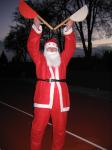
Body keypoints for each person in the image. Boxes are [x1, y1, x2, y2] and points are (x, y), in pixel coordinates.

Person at [27, 17, 76, 150]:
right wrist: (36, 28)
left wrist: (69, 29)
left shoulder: (63, 60)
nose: (52, 50)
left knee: (60, 131)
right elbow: (32, 47)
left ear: (57, 50)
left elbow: (71, 47)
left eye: (54, 48)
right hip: (43, 98)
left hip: (60, 101)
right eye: (49, 48)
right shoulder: (40, 60)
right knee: (37, 129)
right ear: (45, 50)